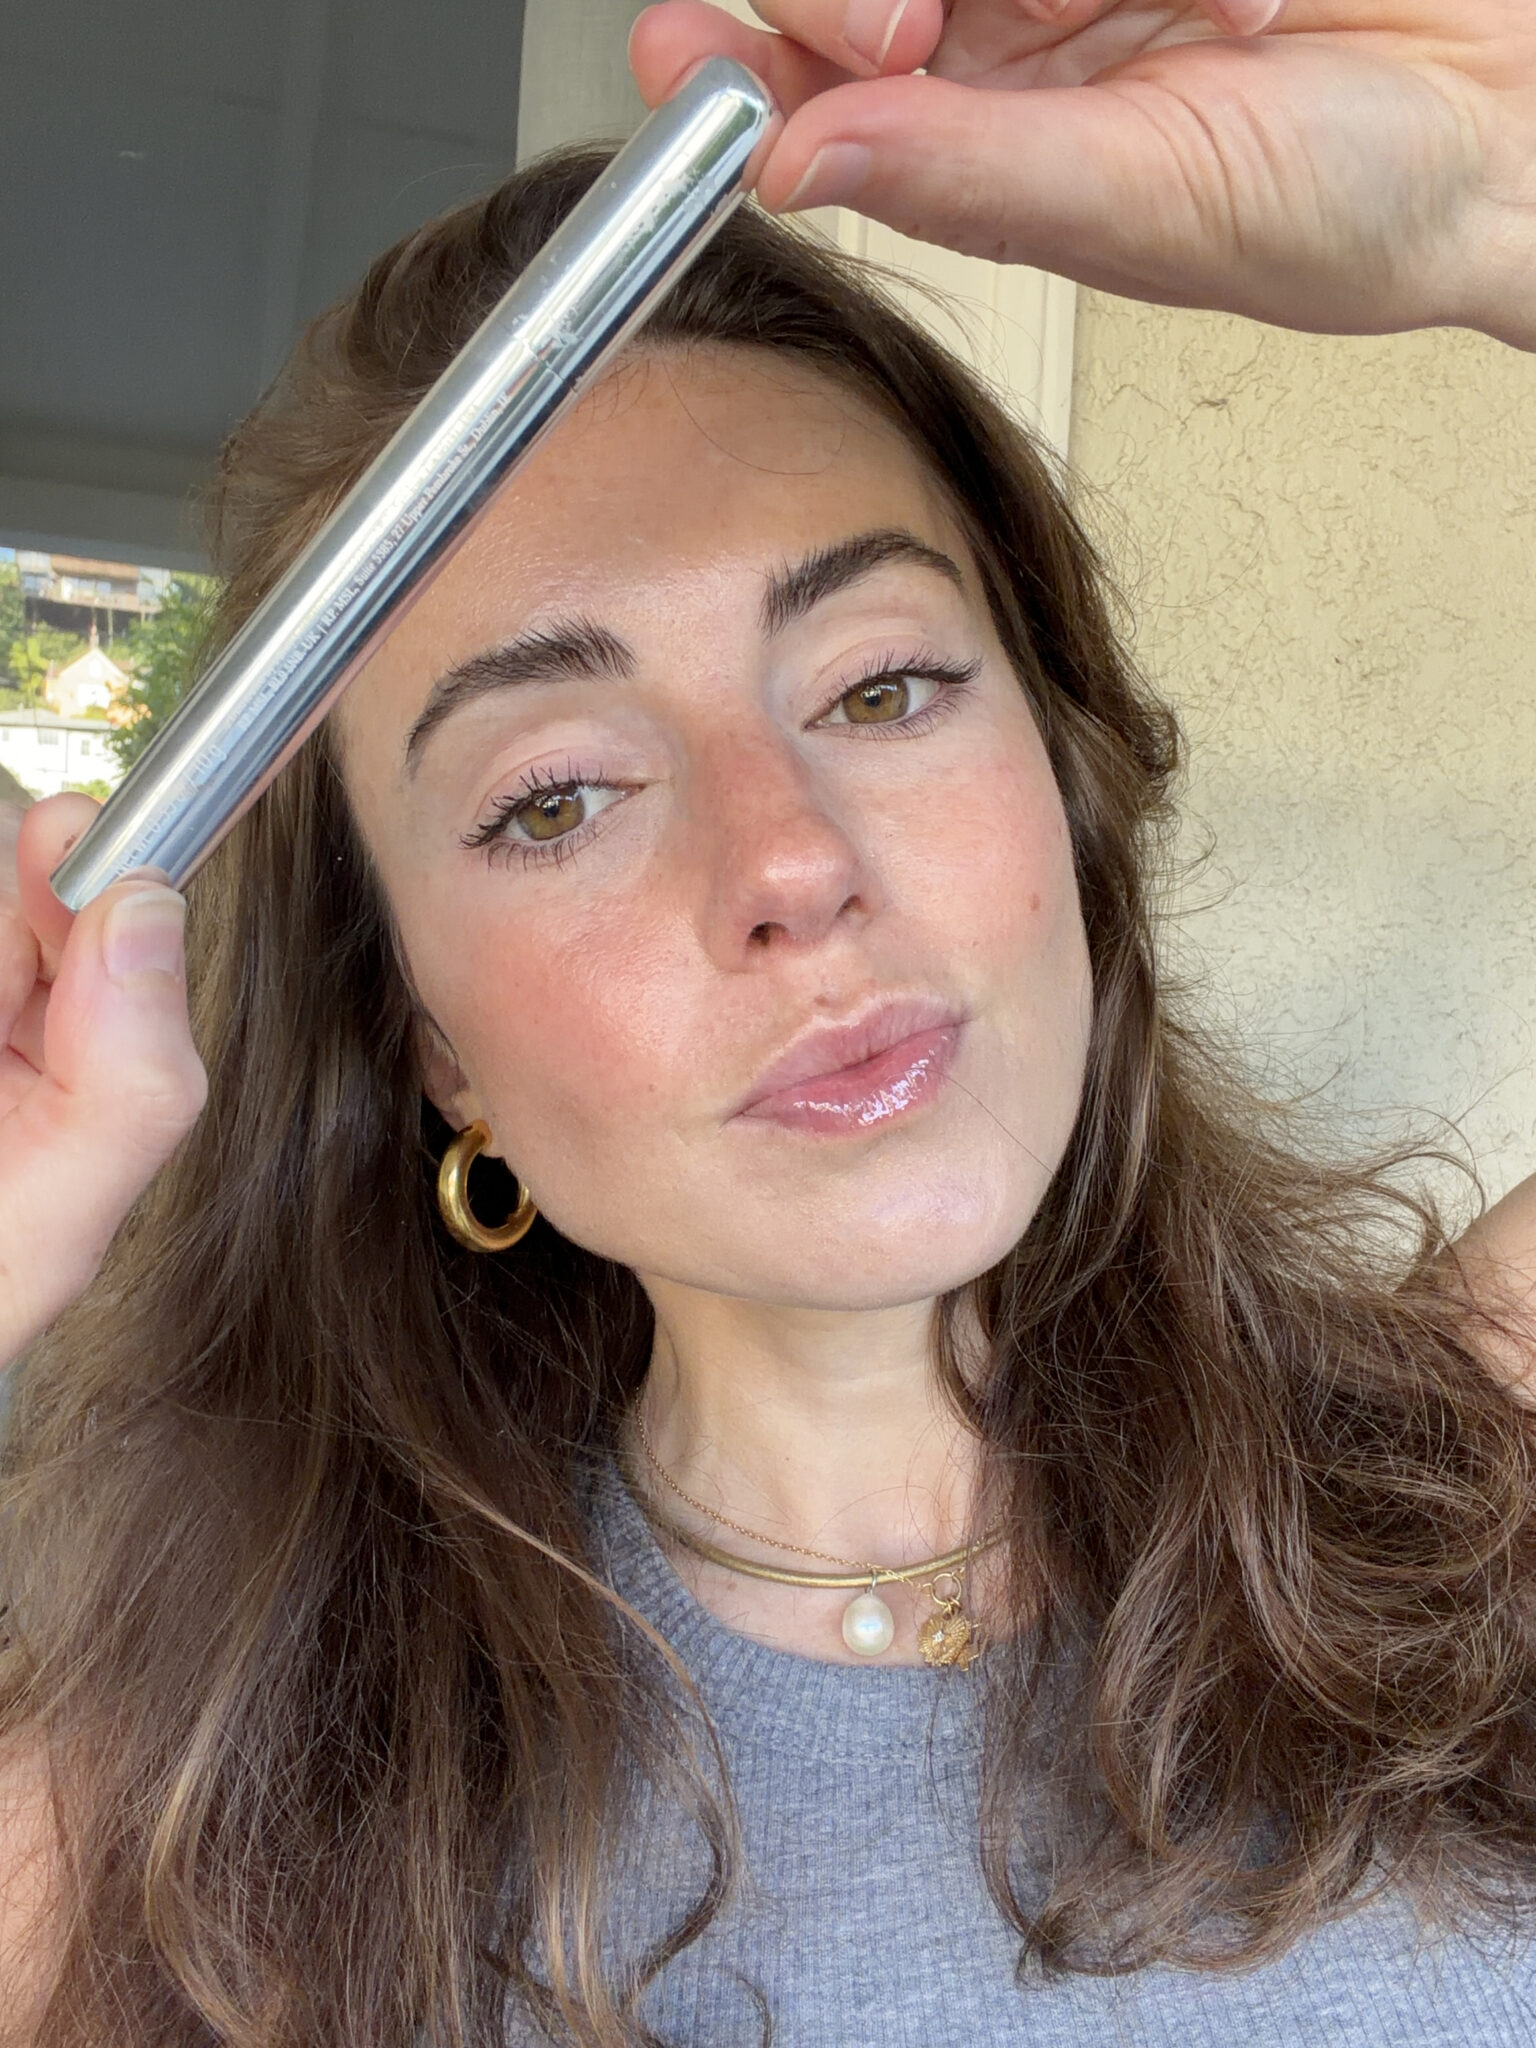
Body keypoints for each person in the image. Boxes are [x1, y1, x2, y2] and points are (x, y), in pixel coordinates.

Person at [1, 2, 1534, 2043]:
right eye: (556, 795)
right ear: (433, 1045)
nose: (791, 858)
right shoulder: (164, 1834)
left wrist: (1496, 182)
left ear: (1064, 786)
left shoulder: (1481, 1474)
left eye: (885, 686)